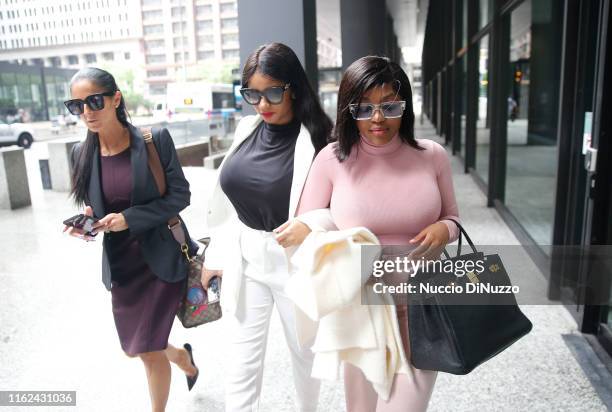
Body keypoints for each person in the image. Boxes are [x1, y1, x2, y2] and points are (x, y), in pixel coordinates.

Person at [289, 56, 461, 411]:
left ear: (405, 106)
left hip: (422, 307)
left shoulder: (432, 156)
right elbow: (308, 225)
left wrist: (444, 229)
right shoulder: (331, 159)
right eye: (364, 109)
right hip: (361, 308)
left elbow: (454, 219)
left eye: (389, 106)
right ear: (348, 111)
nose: (378, 118)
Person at [201, 42, 333, 412]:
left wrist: (309, 223)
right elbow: (231, 204)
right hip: (247, 259)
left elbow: (344, 207)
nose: (262, 105)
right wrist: (216, 254)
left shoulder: (322, 139)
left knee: (305, 355)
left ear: (294, 87)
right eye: (252, 95)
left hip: (296, 262)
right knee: (241, 361)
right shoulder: (247, 127)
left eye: (273, 92)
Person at [62, 67, 200, 412]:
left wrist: (130, 219)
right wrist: (88, 224)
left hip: (160, 260)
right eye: (76, 106)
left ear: (116, 98)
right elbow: (97, 207)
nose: (87, 112)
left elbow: (180, 196)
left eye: (94, 101)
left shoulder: (153, 140)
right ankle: (182, 357)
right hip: (122, 265)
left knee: (149, 350)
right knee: (135, 348)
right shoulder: (82, 153)